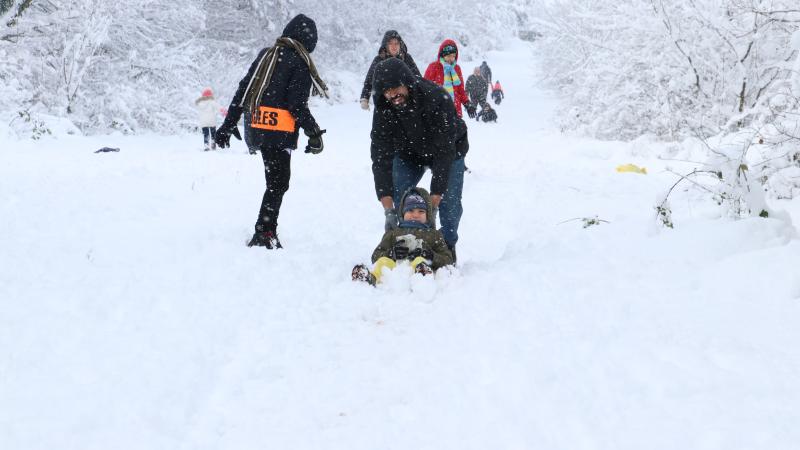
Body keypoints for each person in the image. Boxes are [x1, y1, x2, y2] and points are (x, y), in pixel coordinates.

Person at [215, 13, 328, 249]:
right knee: (278, 183)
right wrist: (314, 132)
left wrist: (228, 125)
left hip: (258, 128)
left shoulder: (267, 55)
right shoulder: (299, 61)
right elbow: (296, 104)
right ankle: (264, 232)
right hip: (280, 132)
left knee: (275, 182)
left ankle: (265, 229)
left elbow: (244, 90)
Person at [370, 57, 467, 262]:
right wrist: (388, 207)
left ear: (406, 81)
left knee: (449, 203)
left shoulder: (436, 98)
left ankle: (446, 247)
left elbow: (444, 152)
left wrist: (434, 199)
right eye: (387, 92)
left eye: (396, 88)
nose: (392, 95)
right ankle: (402, 244)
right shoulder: (384, 107)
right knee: (399, 196)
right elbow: (380, 155)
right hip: (409, 152)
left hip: (450, 150)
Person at [352, 187, 454, 285]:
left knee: (420, 261)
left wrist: (430, 255)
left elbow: (448, 258)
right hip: (395, 270)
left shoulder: (434, 235)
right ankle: (370, 278)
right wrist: (391, 253)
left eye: (421, 211)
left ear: (428, 215)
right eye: (410, 211)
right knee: (383, 261)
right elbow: (376, 255)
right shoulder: (393, 233)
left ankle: (423, 277)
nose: (415, 215)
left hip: (419, 267)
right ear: (403, 213)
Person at [359, 30, 421, 111]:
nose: (394, 46)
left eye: (396, 43)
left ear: (400, 45)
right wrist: (365, 97)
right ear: (386, 45)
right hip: (385, 102)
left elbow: (417, 77)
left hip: (405, 100)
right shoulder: (379, 60)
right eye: (390, 43)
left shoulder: (406, 58)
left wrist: (422, 94)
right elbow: (369, 80)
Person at [423, 39, 475, 120]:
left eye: (453, 56)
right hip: (437, 111)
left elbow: (460, 91)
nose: (451, 59)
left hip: (455, 112)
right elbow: (425, 88)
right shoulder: (434, 67)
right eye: (448, 56)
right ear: (443, 55)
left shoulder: (457, 69)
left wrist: (467, 103)